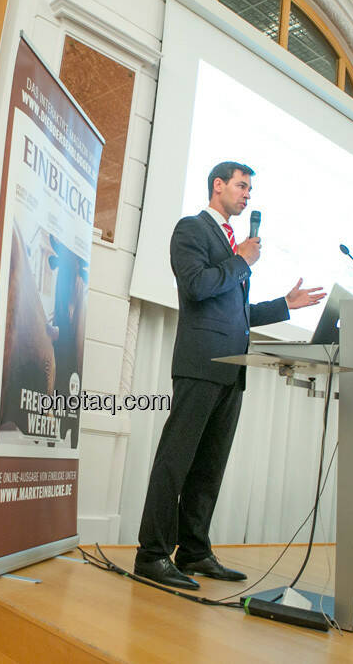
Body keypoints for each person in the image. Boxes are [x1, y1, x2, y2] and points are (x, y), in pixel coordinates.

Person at [134, 161, 326, 590]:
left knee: (209, 467)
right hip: (200, 364)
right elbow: (197, 287)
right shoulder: (191, 229)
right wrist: (241, 261)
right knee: (175, 461)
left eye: (249, 189)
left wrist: (285, 305)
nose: (247, 194)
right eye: (241, 186)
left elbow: (237, 313)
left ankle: (194, 551)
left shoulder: (232, 242)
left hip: (232, 369)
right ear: (217, 185)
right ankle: (152, 555)